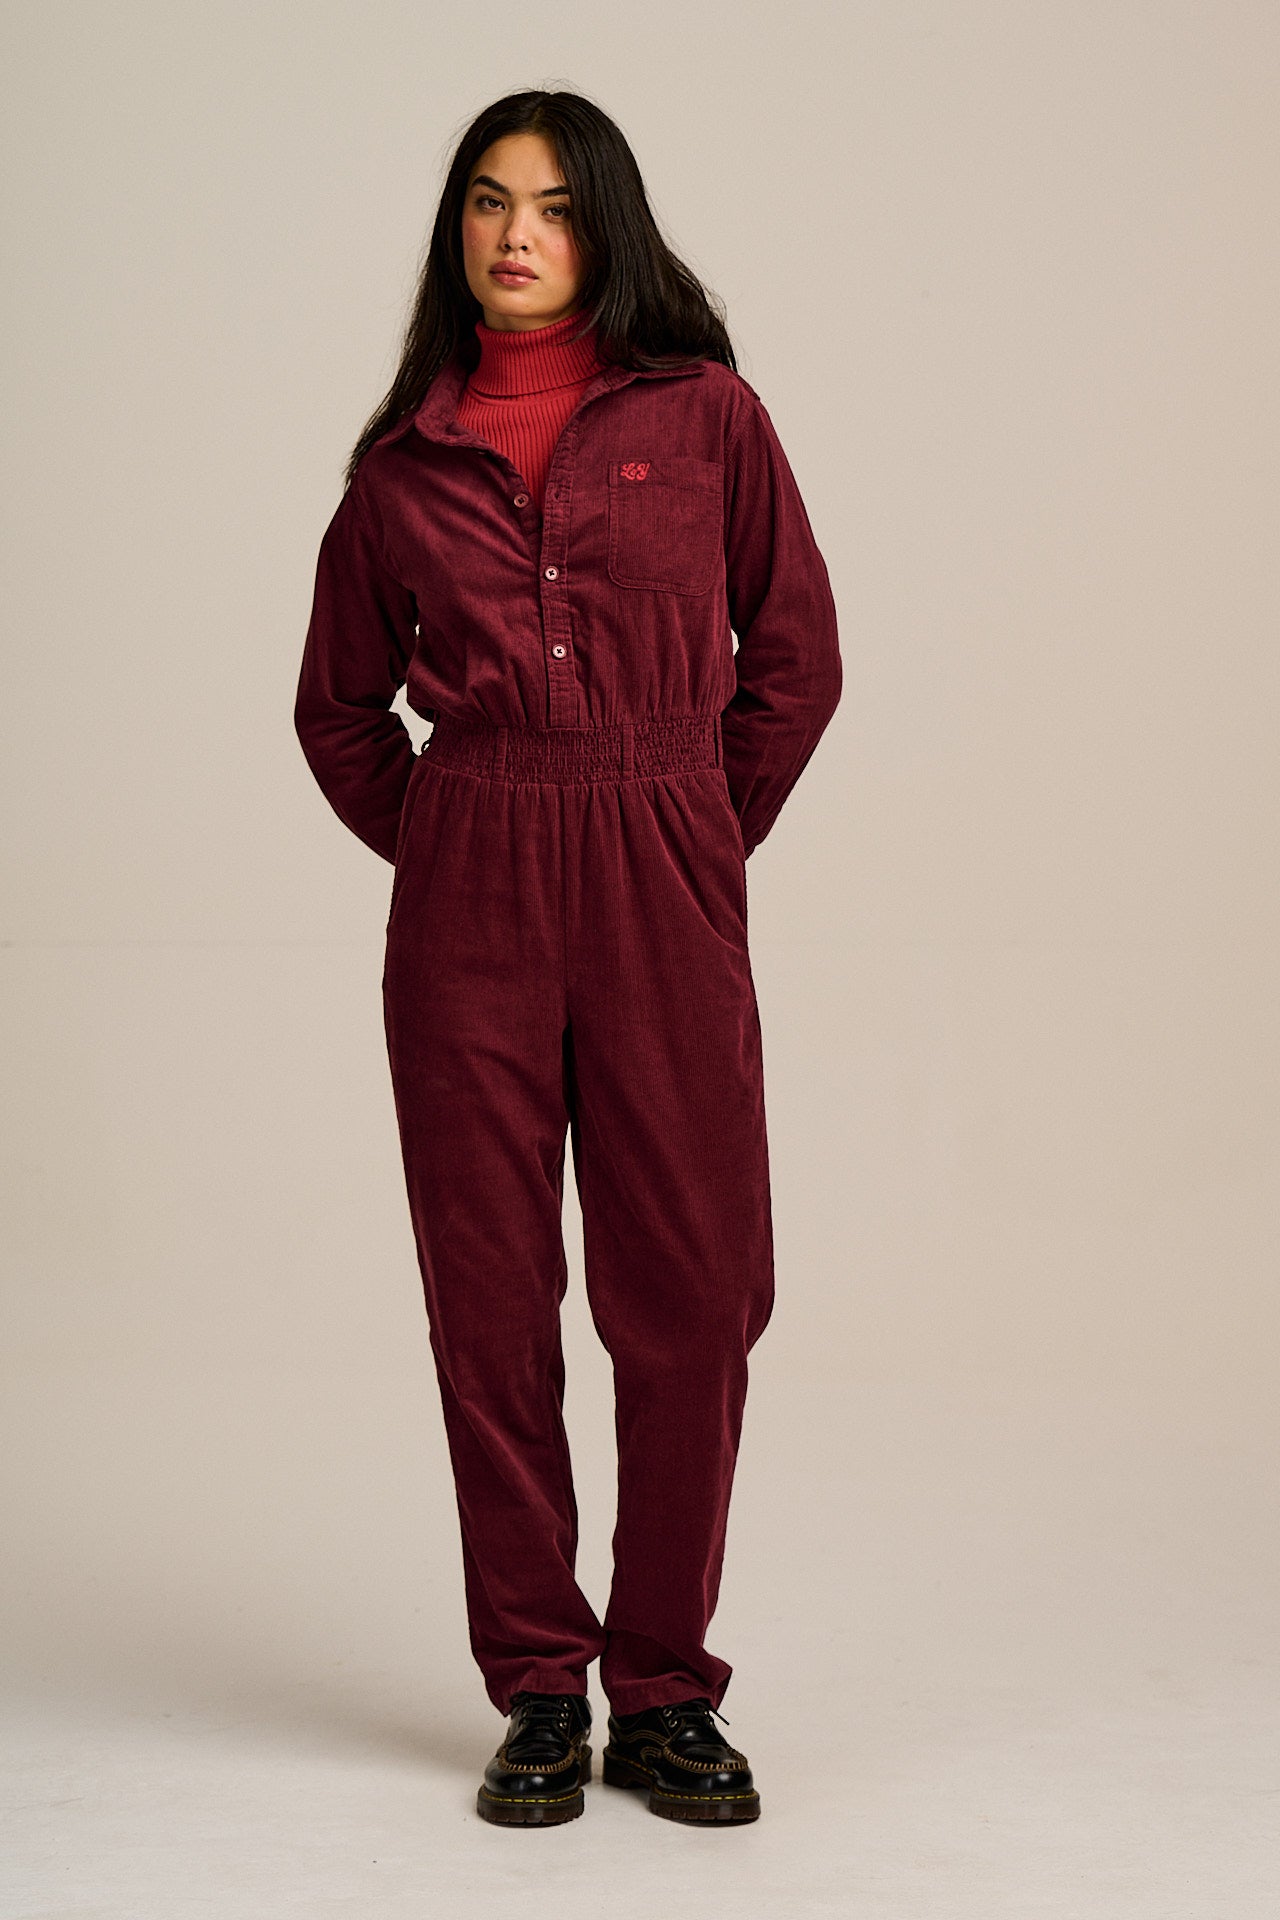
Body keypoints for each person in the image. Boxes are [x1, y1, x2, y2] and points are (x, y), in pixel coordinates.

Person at [294, 87, 842, 1829]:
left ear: (606, 224)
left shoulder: (707, 416)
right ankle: (538, 1681)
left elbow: (797, 658)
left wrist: (691, 832)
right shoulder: (402, 467)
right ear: (454, 231)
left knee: (695, 1288)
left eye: (548, 203)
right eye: (484, 201)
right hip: (475, 889)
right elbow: (336, 711)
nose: (514, 233)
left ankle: (665, 1685)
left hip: (663, 858)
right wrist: (456, 840)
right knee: (489, 1295)